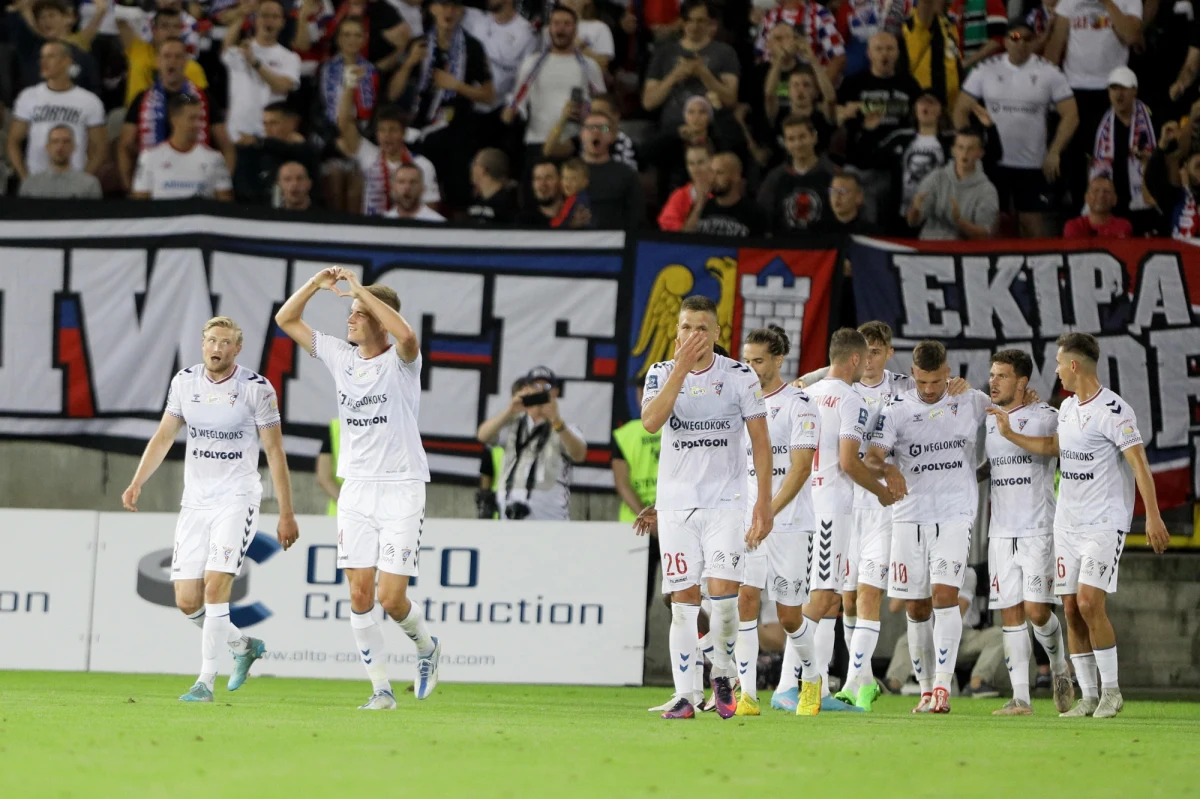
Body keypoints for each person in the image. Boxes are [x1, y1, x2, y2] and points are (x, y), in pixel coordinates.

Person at [275, 266, 442, 709]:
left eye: (357, 313)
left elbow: (406, 334)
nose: (349, 319)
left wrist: (361, 290)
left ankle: (426, 648)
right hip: (357, 490)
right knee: (359, 593)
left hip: (403, 487)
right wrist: (316, 284)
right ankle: (381, 690)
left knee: (391, 598)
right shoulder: (340, 356)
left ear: (376, 316)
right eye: (349, 312)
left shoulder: (402, 361)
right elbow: (286, 320)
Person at [989, 332, 1170, 718]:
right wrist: (1011, 435)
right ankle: (1088, 696)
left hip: (1104, 524)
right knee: (1070, 608)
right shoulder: (1068, 408)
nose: (1054, 370)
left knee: (1089, 603)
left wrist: (1152, 515)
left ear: (1073, 365)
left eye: (1058, 363)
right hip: (1066, 524)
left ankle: (1112, 691)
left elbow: (1139, 464)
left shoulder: (1115, 410)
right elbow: (1055, 447)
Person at [120, 316, 298, 702]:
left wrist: (287, 512)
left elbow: (274, 451)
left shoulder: (257, 389)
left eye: (226, 342)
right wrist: (138, 481)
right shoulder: (185, 382)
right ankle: (243, 646)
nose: (217, 348)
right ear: (202, 344)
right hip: (195, 502)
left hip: (237, 499)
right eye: (211, 341)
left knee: (216, 587)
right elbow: (165, 435)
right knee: (187, 600)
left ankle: (205, 682)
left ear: (237, 349)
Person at [635, 295, 775, 720]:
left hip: (726, 503)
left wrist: (763, 505)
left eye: (701, 328)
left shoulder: (738, 376)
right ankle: (685, 695)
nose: (693, 335)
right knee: (683, 600)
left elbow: (761, 442)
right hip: (677, 506)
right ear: (676, 333)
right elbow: (651, 422)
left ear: (717, 333)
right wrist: (680, 367)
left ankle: (723, 671)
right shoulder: (661, 373)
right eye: (685, 328)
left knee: (724, 596)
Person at [864, 339, 995, 714]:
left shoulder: (970, 401)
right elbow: (872, 456)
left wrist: (1025, 397)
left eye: (936, 382)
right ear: (915, 375)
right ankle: (923, 689)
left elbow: (1009, 414)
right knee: (917, 607)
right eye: (922, 382)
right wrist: (889, 468)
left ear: (948, 372)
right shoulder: (897, 409)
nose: (929, 390)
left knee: (944, 597)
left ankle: (942, 688)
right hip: (908, 517)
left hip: (954, 515)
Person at [791, 327, 900, 716]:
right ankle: (798, 683)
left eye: (878, 353)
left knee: (845, 596)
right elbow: (849, 461)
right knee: (826, 598)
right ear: (856, 358)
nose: (869, 361)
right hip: (837, 506)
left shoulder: (805, 393)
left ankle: (856, 682)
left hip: (822, 505)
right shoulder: (849, 399)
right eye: (864, 354)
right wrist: (883, 490)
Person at [732, 326, 820, 717]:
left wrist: (769, 511)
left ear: (779, 359)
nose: (750, 368)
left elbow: (800, 469)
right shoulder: (737, 405)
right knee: (745, 601)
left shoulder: (799, 404)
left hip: (788, 522)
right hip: (749, 521)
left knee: (788, 615)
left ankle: (814, 677)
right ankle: (747, 694)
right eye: (746, 360)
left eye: (758, 360)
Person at [979, 349, 1072, 716]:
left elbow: (1061, 449)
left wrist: (1010, 431)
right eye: (992, 375)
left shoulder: (1046, 418)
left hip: (1037, 529)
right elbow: (988, 465)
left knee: (1037, 611)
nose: (994, 381)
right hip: (1001, 531)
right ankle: (1021, 698)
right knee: (1010, 614)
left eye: (1002, 376)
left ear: (1022, 382)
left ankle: (1060, 668)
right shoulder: (987, 419)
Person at [955, 21, 1078, 237]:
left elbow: (1072, 114)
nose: (1020, 43)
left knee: (1033, 227)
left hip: (1032, 164)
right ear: (1005, 41)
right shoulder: (986, 69)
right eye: (1014, 38)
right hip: (994, 164)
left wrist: (1055, 151)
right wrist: (969, 149)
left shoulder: (1049, 72)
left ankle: (1034, 270)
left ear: (1034, 42)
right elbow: (960, 109)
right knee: (993, 226)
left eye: (1027, 39)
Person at [387, 0, 495, 210]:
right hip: (420, 133)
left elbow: (489, 95)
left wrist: (457, 86)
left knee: (457, 198)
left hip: (458, 134)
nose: (449, 11)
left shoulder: (472, 47)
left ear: (462, 11)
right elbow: (393, 93)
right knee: (416, 194)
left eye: (455, 6)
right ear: (432, 9)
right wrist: (409, 63)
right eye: (444, 5)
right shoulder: (418, 45)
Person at [1045, 0, 1143, 207]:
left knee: (1112, 156)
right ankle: (1078, 214)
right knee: (1074, 159)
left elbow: (1131, 36)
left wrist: (1107, 2)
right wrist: (1049, 88)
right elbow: (1055, 46)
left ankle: (1115, 212)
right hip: (1074, 87)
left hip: (1112, 89)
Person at [475, 366, 588, 521]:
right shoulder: (513, 425)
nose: (540, 390)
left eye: (546, 387)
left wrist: (556, 422)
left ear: (555, 392)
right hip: (510, 517)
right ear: (526, 389)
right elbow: (483, 435)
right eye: (535, 386)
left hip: (549, 520)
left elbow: (579, 454)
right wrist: (510, 410)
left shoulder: (566, 428)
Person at [503, 5, 605, 170]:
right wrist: (510, 113)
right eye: (556, 23)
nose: (561, 29)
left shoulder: (589, 66)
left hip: (574, 144)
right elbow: (513, 108)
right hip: (537, 141)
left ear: (575, 29)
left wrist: (586, 114)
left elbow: (604, 116)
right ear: (548, 28)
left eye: (566, 24)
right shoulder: (531, 64)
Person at [120, 38, 224, 192]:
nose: (172, 61)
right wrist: (130, 188)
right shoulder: (143, 98)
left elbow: (226, 145)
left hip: (196, 179)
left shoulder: (199, 98)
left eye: (178, 56)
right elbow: (125, 145)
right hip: (155, 180)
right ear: (157, 61)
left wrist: (220, 183)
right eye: (167, 56)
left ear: (186, 62)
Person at [8, 41, 106, 183]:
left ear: (67, 61)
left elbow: (100, 148)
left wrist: (83, 179)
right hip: (37, 178)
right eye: (42, 57)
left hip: (74, 179)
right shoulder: (28, 96)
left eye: (51, 57)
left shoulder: (89, 101)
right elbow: (13, 141)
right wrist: (25, 178)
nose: (44, 62)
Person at [642, 0, 739, 131]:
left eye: (700, 21)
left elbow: (730, 99)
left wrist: (703, 73)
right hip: (673, 128)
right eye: (689, 20)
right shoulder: (664, 52)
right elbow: (648, 103)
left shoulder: (725, 52)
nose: (694, 26)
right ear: (681, 21)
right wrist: (675, 75)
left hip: (712, 128)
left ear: (709, 22)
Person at [221, 0, 303, 143]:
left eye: (274, 16)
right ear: (255, 20)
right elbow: (226, 48)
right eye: (264, 15)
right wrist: (241, 14)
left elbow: (283, 86)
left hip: (271, 135)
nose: (269, 21)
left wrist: (255, 62)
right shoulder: (242, 49)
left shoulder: (290, 57)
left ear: (282, 22)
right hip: (238, 133)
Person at [338, 103, 440, 216]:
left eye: (393, 130)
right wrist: (350, 84)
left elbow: (431, 211)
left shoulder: (422, 165)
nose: (387, 135)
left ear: (404, 133)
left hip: (408, 229)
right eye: (382, 130)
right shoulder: (369, 155)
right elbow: (344, 124)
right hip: (372, 228)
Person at [1090, 67, 1158, 234]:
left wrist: (1149, 159)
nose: (1119, 94)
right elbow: (1093, 163)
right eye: (1114, 88)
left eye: (1124, 88)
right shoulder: (1100, 124)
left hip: (1144, 203)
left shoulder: (1151, 120)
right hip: (1112, 205)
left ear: (1134, 91)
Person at [132, 95, 234, 201]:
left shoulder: (215, 158)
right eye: (192, 118)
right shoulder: (149, 158)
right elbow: (140, 205)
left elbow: (225, 206)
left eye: (200, 118)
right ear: (174, 120)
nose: (198, 124)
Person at [907, 129, 999, 240]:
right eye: (960, 148)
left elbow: (985, 235)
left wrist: (959, 221)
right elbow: (912, 222)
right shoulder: (936, 177)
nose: (965, 153)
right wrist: (915, 210)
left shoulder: (987, 190)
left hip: (962, 252)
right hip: (929, 245)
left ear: (980, 153)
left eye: (970, 149)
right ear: (953, 150)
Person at [757, 115, 834, 233]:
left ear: (814, 137)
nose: (798, 144)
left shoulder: (833, 174)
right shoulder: (775, 178)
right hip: (786, 247)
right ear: (785, 144)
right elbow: (763, 214)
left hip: (825, 247)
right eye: (791, 139)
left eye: (802, 137)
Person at [119, 7, 207, 107]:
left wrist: (181, 97)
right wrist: (135, 13)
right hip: (135, 115)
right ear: (154, 30)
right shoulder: (138, 49)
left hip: (175, 119)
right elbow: (117, 19)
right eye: (165, 26)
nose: (171, 31)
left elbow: (199, 101)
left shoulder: (192, 67)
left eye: (176, 26)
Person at [579, 109, 644, 228]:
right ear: (582, 134)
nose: (596, 132)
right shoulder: (568, 173)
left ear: (612, 136)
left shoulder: (627, 175)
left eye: (603, 129)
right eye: (590, 128)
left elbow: (636, 218)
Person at [755, 0, 847, 83]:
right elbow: (758, 57)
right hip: (775, 86)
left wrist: (816, 91)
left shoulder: (818, 14)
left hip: (809, 85)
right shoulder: (771, 16)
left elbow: (839, 59)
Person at [611, 376, 661, 524]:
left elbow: (622, 484)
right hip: (672, 519)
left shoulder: (625, 434)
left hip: (636, 520)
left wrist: (646, 517)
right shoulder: (680, 428)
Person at [1145, 119, 1200, 240]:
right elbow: (1152, 179)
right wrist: (1162, 145)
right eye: (1198, 166)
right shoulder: (1174, 198)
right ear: (1185, 168)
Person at [901, 0, 964, 107]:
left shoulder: (948, 23)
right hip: (928, 106)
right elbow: (926, 5)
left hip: (952, 107)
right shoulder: (918, 20)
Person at [18, 125, 102, 198]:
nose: (60, 147)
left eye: (66, 141)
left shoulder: (89, 184)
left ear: (73, 147)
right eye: (55, 141)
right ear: (47, 147)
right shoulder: (29, 184)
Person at [658, 141, 713, 231]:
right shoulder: (679, 196)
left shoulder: (723, 192)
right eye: (691, 163)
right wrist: (699, 204)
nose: (696, 169)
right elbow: (680, 238)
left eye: (701, 162)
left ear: (712, 162)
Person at [520, 158, 591, 227]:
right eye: (538, 178)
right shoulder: (523, 221)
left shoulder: (582, 210)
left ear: (560, 181)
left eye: (548, 178)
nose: (543, 184)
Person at [1063, 175, 1133, 238]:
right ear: (1087, 198)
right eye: (1096, 191)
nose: (1101, 195)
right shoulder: (1074, 226)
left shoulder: (1123, 226)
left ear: (1115, 200)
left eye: (1106, 191)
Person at [467, 147, 520, 223]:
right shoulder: (477, 199)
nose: (472, 168)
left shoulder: (508, 203)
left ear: (483, 170)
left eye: (474, 164)